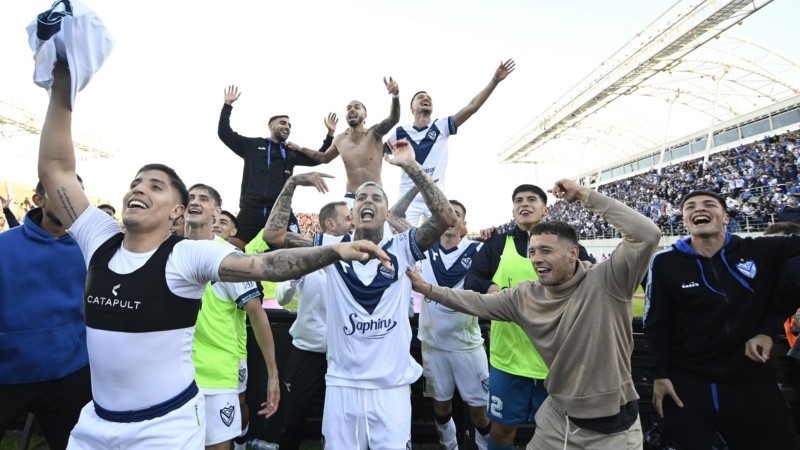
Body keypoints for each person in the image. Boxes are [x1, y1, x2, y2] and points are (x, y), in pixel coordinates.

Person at [38, 62, 391, 450]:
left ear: (178, 210)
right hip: (95, 427)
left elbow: (265, 264)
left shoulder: (189, 256)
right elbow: (56, 171)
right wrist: (62, 85)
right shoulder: (99, 240)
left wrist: (334, 250)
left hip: (165, 429)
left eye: (155, 186)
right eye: (136, 183)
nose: (138, 189)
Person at [408, 178, 662, 449]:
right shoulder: (525, 294)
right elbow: (475, 300)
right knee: (503, 430)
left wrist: (584, 195)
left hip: (612, 429)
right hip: (554, 412)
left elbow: (647, 234)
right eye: (532, 252)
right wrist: (428, 289)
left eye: (546, 250)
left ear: (574, 253)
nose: (537, 258)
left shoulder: (607, 280)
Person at [263, 139, 457, 449]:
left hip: (391, 389)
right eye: (362, 197)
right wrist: (291, 184)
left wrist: (411, 165)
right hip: (342, 387)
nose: (369, 200)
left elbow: (446, 219)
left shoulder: (404, 247)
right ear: (353, 213)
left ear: (385, 212)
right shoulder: (330, 247)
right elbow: (273, 236)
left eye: (377, 197)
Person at [644, 189, 800, 450]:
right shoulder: (665, 263)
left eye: (709, 204)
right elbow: (656, 323)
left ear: (726, 217)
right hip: (689, 383)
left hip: (753, 379)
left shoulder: (758, 250)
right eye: (690, 206)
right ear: (684, 220)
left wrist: (767, 329)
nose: (699, 209)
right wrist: (660, 374)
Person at [183, 183, 280, 450]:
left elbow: (256, 313)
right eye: (191, 197)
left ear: (215, 214)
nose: (196, 202)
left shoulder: (229, 258)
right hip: (174, 374)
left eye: (204, 198)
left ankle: (240, 439)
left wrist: (272, 373)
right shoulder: (169, 250)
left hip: (216, 374)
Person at [0, 179, 92, 450]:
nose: (71, 198)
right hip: (7, 375)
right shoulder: (4, 247)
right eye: (60, 190)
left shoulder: (92, 250)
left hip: (70, 376)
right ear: (38, 200)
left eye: (77, 192)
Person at [463, 184, 551, 450]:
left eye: (532, 199)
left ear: (545, 209)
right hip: (507, 360)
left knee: (556, 432)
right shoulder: (497, 243)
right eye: (518, 200)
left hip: (553, 362)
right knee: (501, 431)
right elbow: (472, 280)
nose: (524, 204)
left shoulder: (564, 242)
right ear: (513, 210)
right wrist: (497, 292)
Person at [386, 59, 515, 226]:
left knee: (438, 240)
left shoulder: (442, 126)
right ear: (412, 108)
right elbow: (381, 152)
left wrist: (494, 81)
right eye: (420, 97)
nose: (426, 99)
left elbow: (472, 107)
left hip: (435, 194)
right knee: (403, 241)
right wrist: (390, 161)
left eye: (429, 98)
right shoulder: (399, 132)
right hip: (408, 197)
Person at [412, 199, 492, 450]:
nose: (451, 217)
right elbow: (394, 218)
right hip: (433, 345)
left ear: (464, 224)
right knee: (441, 406)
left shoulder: (478, 251)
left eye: (456, 214)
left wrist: (495, 235)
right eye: (445, 213)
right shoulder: (423, 249)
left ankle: (481, 445)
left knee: (480, 412)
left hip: (467, 346)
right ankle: (449, 446)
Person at [273, 200, 352, 450]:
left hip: (344, 354)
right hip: (308, 352)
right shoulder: (306, 253)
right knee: (293, 420)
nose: (353, 221)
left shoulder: (357, 253)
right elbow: (282, 298)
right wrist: (295, 275)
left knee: (344, 422)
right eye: (348, 218)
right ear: (331, 224)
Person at [218, 85, 337, 249]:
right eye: (283, 123)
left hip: (280, 211)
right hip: (251, 209)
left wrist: (329, 135)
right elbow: (225, 133)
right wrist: (227, 105)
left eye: (289, 125)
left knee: (297, 249)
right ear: (270, 126)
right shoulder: (252, 145)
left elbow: (319, 158)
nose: (287, 127)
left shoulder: (290, 153)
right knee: (230, 248)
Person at [292, 77, 400, 204]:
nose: (352, 110)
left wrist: (395, 95)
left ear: (365, 115)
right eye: (348, 108)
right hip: (351, 196)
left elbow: (393, 118)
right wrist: (299, 148)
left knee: (382, 224)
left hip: (375, 194)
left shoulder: (374, 133)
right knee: (340, 220)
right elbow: (324, 158)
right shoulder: (340, 140)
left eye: (357, 107)